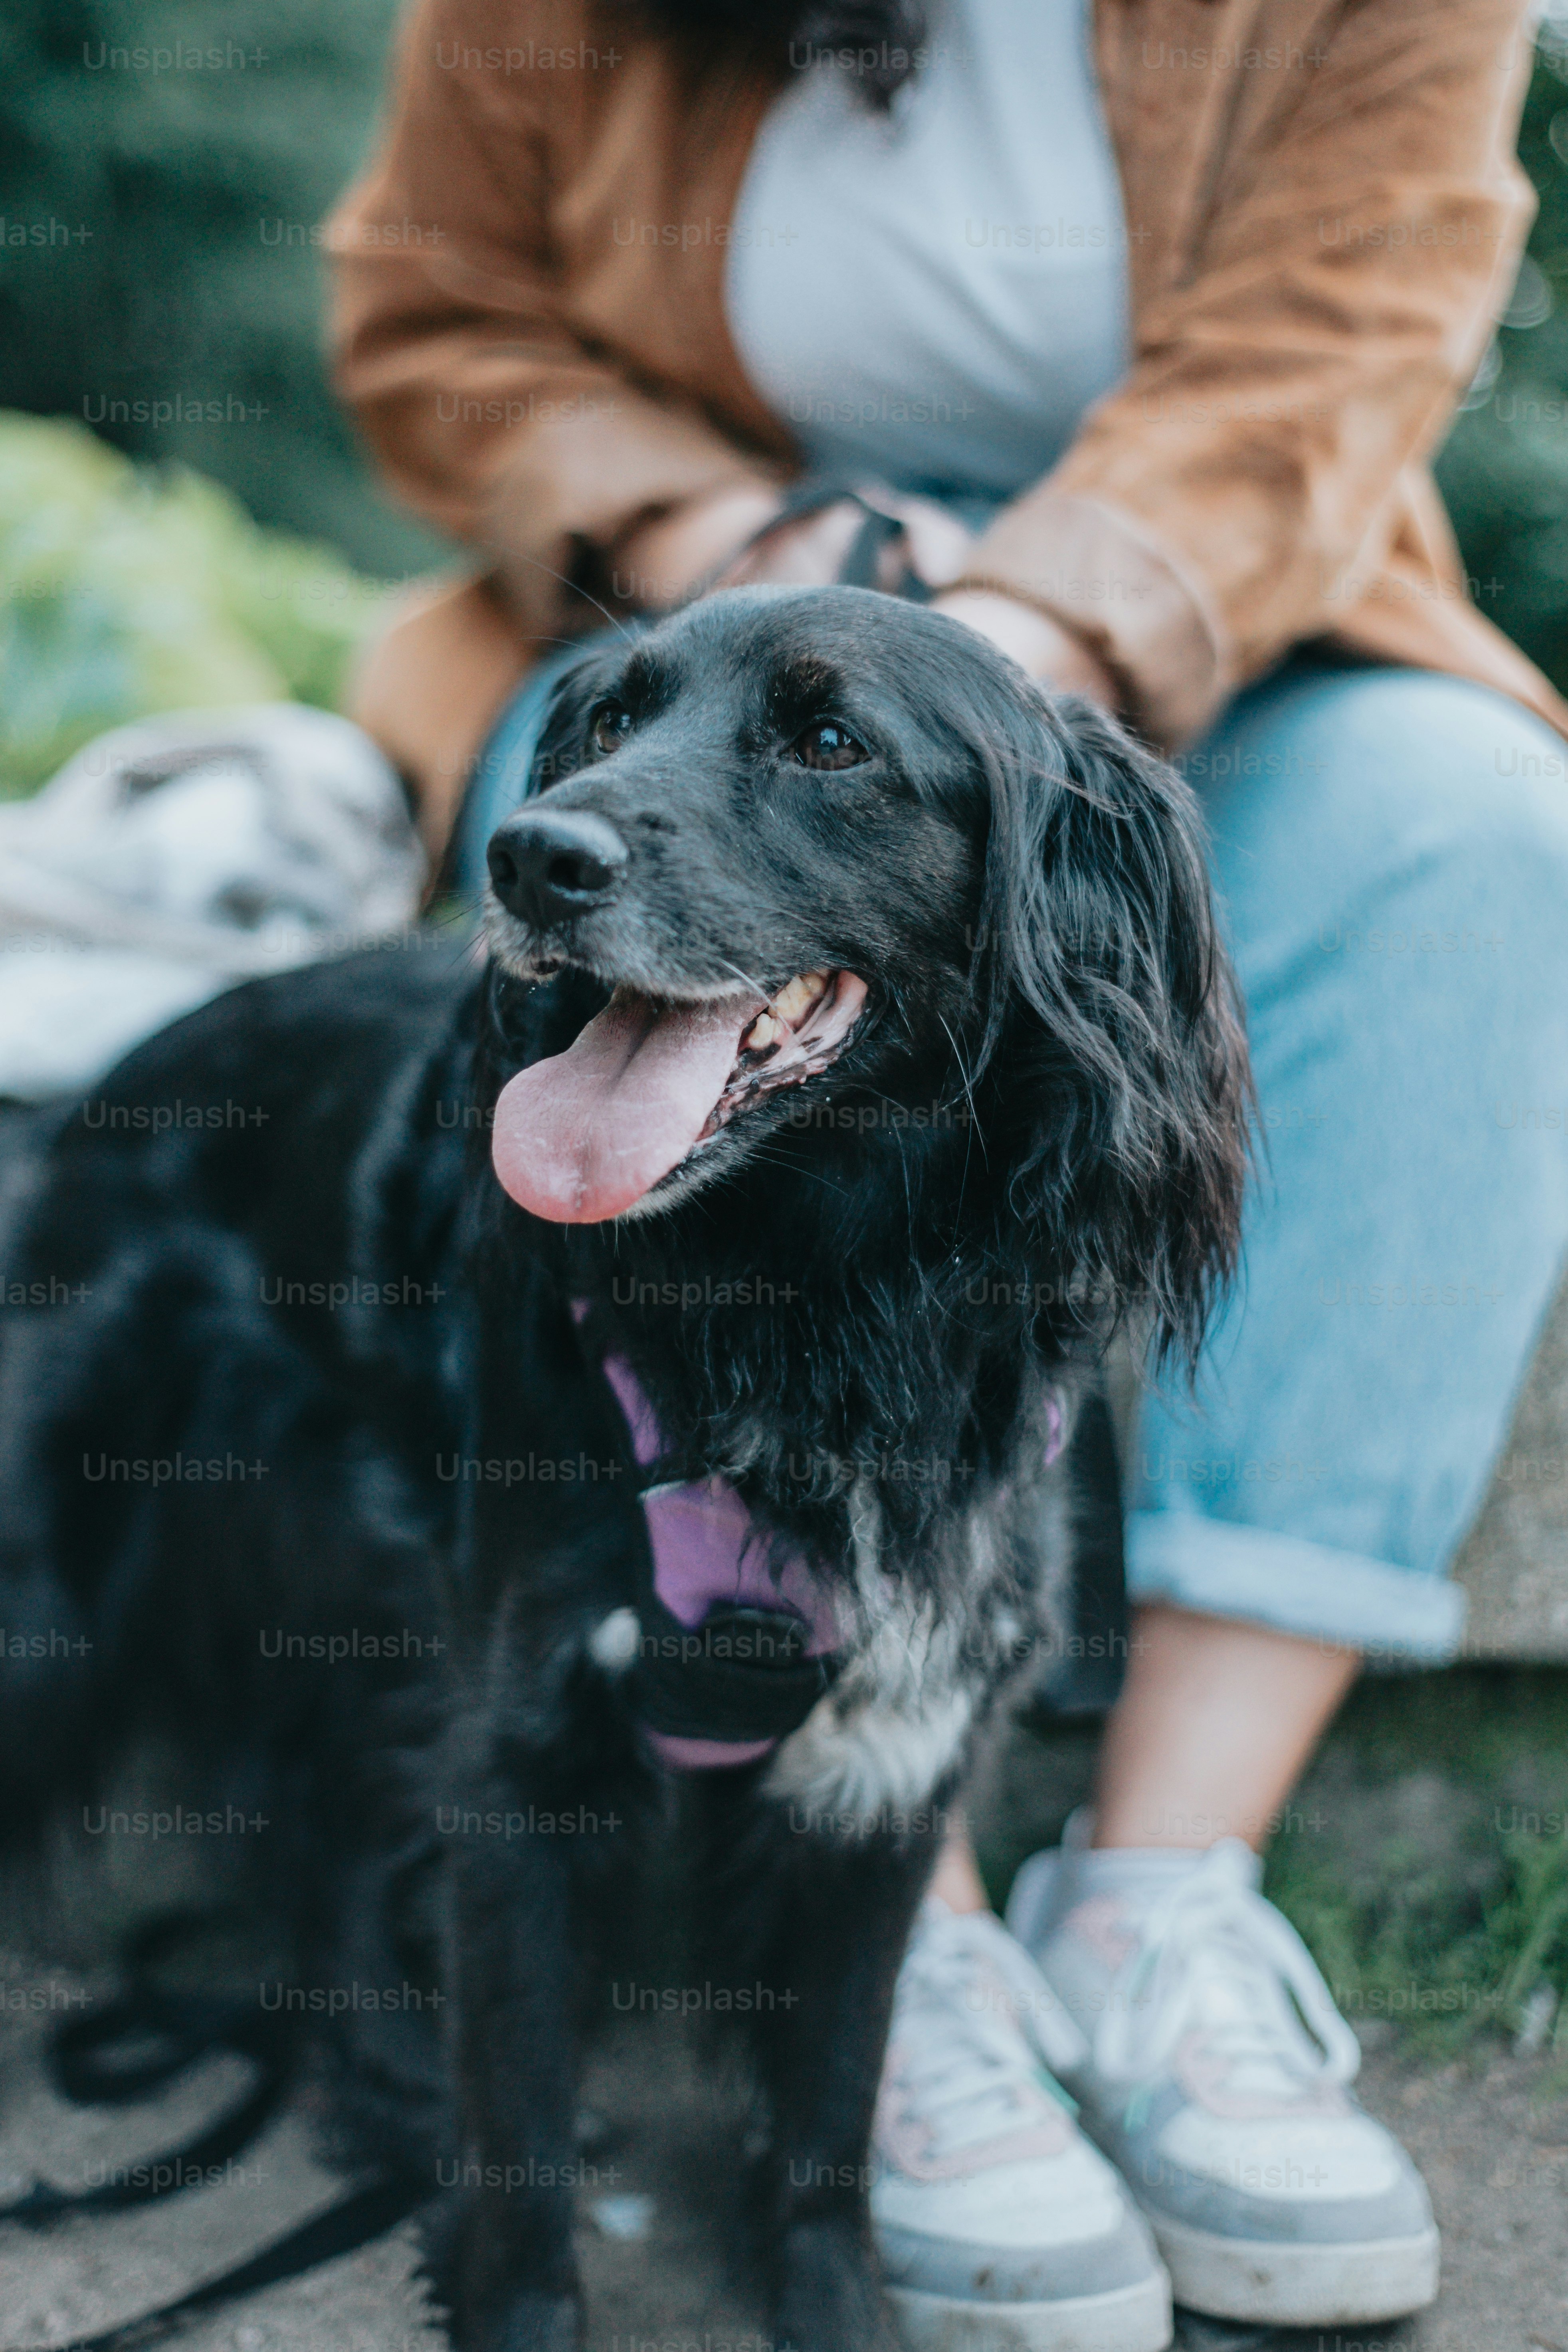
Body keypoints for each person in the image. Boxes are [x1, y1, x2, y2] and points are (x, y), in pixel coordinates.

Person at [326, 1, 1568, 2340]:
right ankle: (923, 1944)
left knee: (1485, 846)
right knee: (610, 823)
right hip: (666, 633)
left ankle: (1162, 1899)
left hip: (1230, 613)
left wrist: (1014, 629)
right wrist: (723, 533)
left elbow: (1354, 321)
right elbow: (433, 312)